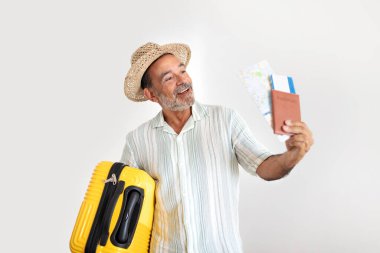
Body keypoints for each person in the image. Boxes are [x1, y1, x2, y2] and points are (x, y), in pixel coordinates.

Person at [120, 42, 313, 253]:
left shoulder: (226, 120)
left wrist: (293, 155)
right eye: (169, 78)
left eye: (182, 71)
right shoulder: (137, 141)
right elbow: (127, 211)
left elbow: (264, 167)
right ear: (151, 95)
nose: (183, 80)